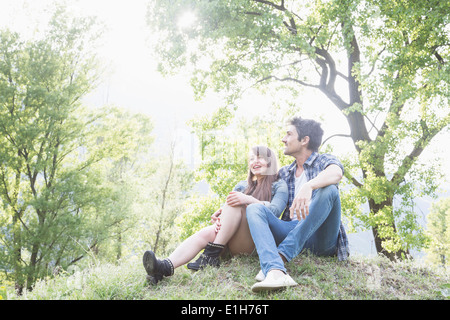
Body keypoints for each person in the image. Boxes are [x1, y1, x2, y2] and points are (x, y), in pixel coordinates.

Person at [142, 145, 288, 285]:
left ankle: (210, 254)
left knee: (236, 203)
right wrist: (220, 215)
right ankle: (164, 267)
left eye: (260, 157)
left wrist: (248, 200)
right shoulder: (242, 185)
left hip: (253, 243)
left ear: (270, 161)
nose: (255, 161)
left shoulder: (279, 185)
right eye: (251, 159)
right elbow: (229, 210)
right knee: (211, 229)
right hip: (228, 243)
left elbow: (275, 212)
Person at [247, 117, 349, 292]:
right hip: (291, 230)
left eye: (288, 134)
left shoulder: (325, 161)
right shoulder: (285, 173)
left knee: (329, 190)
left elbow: (336, 174)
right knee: (254, 208)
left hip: (322, 237)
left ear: (304, 140)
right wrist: (227, 208)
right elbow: (259, 185)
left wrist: (309, 186)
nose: (283, 139)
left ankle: (281, 255)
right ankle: (275, 270)